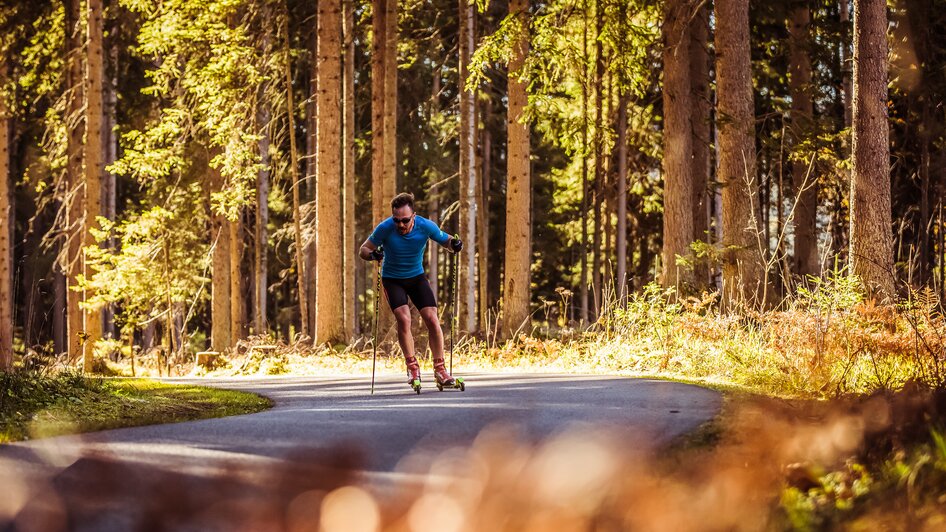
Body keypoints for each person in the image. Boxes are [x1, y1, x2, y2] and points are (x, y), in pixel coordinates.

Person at [359, 192, 463, 387]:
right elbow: (363, 249)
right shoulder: (385, 228)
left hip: (416, 278)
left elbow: (446, 240)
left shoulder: (425, 226)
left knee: (432, 318)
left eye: (405, 220)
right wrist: (373, 255)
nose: (401, 225)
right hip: (392, 279)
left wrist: (455, 244)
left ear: (413, 216)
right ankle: (413, 368)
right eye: (397, 220)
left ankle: (440, 370)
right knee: (404, 319)